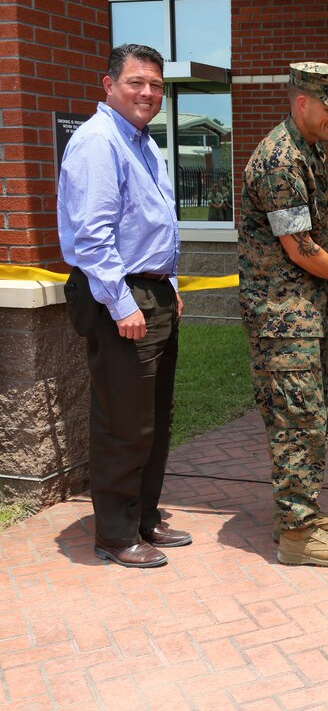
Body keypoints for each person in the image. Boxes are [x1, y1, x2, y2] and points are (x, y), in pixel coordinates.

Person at [238, 61, 328, 567]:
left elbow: (314, 224)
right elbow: (300, 247)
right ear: (302, 101)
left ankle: (303, 511)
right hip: (282, 320)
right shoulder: (280, 159)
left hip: (302, 313)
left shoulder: (306, 149)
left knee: (313, 416)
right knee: (296, 421)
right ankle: (297, 535)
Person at [57, 43, 189, 568]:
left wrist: (169, 284)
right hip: (121, 295)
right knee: (122, 420)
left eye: (156, 85)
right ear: (108, 85)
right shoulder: (97, 142)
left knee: (154, 416)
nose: (148, 93)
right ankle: (114, 532)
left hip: (152, 290)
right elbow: (92, 237)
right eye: (137, 82)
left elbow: (154, 222)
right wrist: (121, 303)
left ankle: (144, 516)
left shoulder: (142, 142)